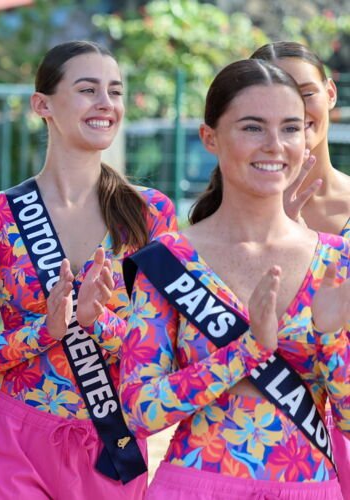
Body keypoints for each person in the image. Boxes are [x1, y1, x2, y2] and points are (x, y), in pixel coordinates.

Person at [120, 58, 350, 499]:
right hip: (193, 488)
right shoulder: (169, 260)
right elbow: (138, 411)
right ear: (210, 137)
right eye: (252, 127)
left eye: (290, 128)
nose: (274, 145)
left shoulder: (338, 261)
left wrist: (331, 339)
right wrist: (246, 351)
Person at [0, 40, 176, 499]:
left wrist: (100, 322)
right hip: (11, 440)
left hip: (111, 445)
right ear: (43, 105)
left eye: (115, 91)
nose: (106, 103)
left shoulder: (151, 214)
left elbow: (161, 353)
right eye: (87, 90)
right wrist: (46, 330)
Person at [251, 40, 350, 499]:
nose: (293, 108)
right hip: (271, 439)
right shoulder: (227, 222)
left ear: (330, 93)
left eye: (305, 92)